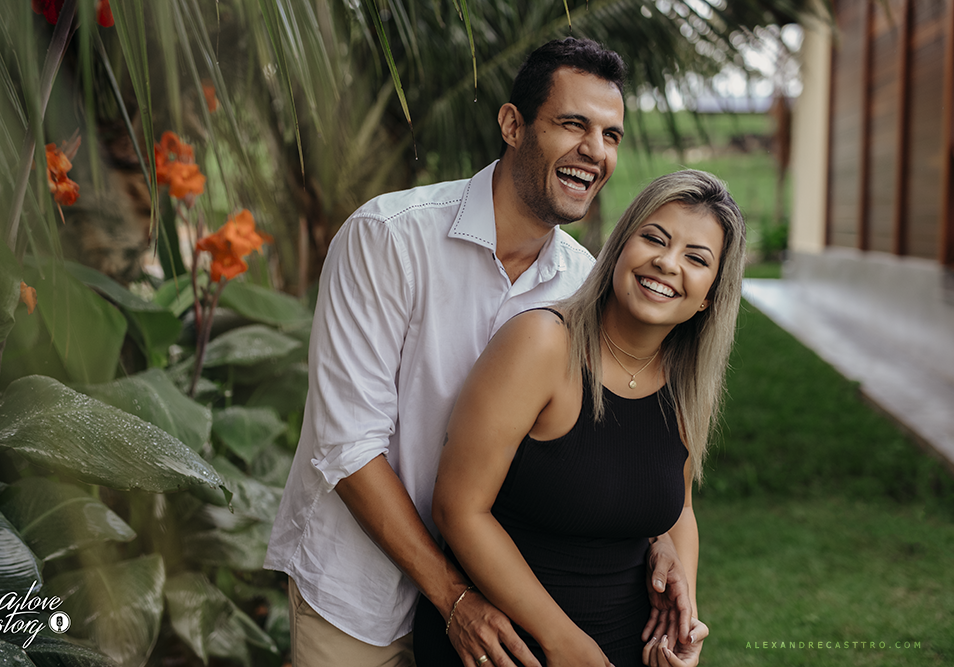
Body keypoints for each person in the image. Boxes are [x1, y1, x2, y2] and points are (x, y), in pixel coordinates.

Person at [264, 38, 693, 667]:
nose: (595, 151)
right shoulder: (388, 239)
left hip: (500, 612)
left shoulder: (587, 286)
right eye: (573, 124)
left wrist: (660, 539)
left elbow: (618, 437)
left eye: (611, 135)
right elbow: (347, 445)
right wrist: (452, 596)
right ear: (513, 125)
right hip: (358, 595)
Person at [414, 169, 747, 667]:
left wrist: (682, 621)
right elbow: (459, 509)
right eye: (654, 238)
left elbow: (678, 509)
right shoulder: (541, 344)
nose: (667, 262)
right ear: (619, 248)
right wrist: (562, 642)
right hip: (504, 645)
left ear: (709, 297)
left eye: (696, 258)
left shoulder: (684, 382)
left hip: (628, 648)